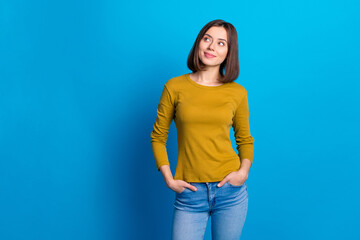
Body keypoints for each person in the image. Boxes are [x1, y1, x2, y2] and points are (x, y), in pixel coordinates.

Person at [150, 19, 255, 240]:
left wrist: (243, 173)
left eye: (220, 43)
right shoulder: (174, 87)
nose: (211, 47)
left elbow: (244, 139)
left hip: (230, 193)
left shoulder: (237, 93)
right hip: (190, 195)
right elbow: (158, 137)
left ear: (229, 52)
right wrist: (169, 179)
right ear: (199, 43)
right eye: (207, 39)